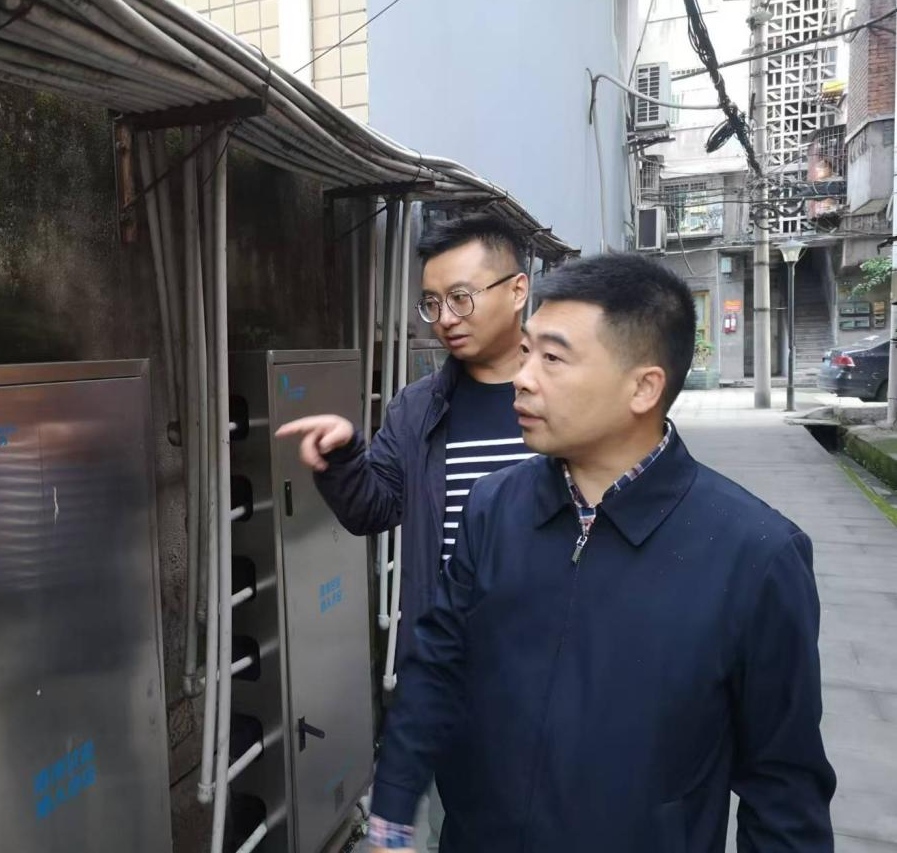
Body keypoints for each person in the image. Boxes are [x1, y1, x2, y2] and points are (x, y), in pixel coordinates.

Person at [366, 252, 836, 853]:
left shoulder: (757, 556)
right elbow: (436, 667)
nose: (523, 378)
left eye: (553, 358)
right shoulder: (493, 508)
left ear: (643, 387)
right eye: (527, 352)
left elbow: (784, 791)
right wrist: (392, 813)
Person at [275, 213, 535, 851]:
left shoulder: (568, 394)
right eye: (431, 303)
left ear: (517, 290)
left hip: (557, 661)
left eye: (461, 297)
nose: (445, 317)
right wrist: (342, 460)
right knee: (462, 828)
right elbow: (374, 508)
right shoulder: (418, 408)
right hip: (457, 673)